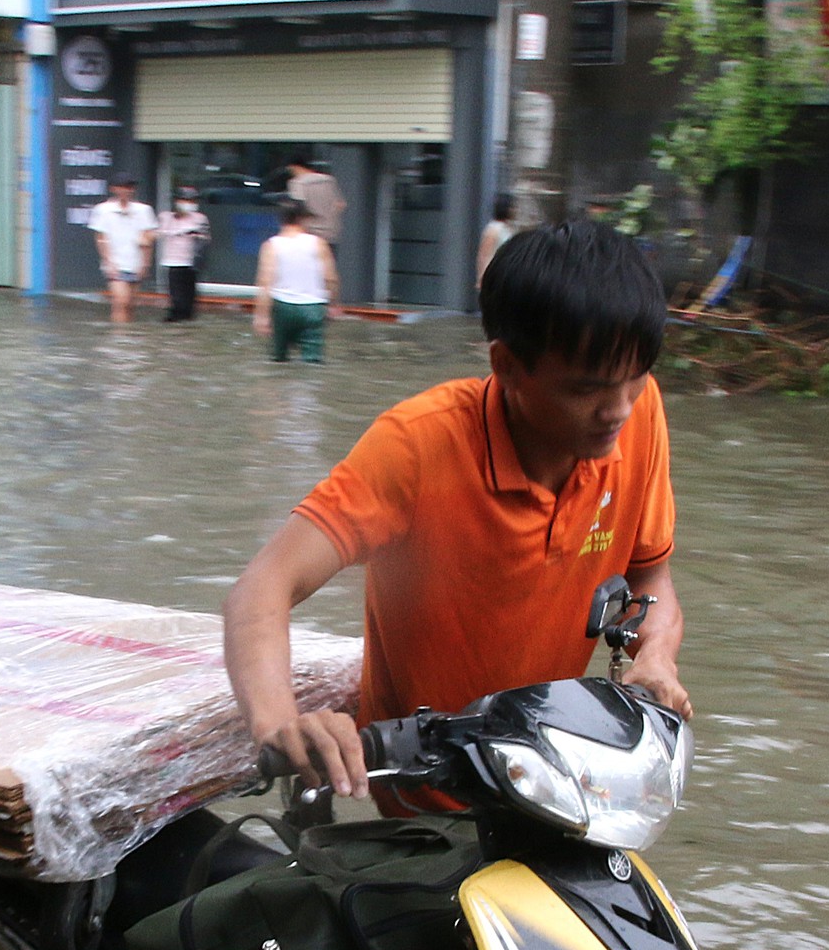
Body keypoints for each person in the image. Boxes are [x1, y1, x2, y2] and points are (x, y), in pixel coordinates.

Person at [224, 220, 688, 800]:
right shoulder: (419, 446)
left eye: (635, 378)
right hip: (428, 792)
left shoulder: (638, 418)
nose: (617, 410)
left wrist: (657, 659)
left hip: (554, 778)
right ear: (507, 366)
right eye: (585, 389)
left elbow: (651, 577)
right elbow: (263, 587)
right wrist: (280, 726)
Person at [254, 201, 337, 365]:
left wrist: (261, 316)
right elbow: (331, 278)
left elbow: (265, 282)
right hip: (313, 308)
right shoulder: (319, 243)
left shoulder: (271, 245)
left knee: (278, 361)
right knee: (313, 364)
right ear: (302, 219)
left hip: (282, 308)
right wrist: (333, 304)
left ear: (281, 220)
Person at [91, 175, 156, 324]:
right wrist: (108, 261)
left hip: (135, 262)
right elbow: (101, 237)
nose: (124, 191)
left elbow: (148, 238)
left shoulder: (144, 210)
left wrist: (145, 264)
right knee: (121, 301)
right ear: (113, 189)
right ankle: (119, 336)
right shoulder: (103, 210)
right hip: (115, 263)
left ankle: (128, 332)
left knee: (130, 304)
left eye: (128, 187)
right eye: (121, 187)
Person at [159, 185, 209, 323]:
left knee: (189, 298)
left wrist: (197, 235)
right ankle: (175, 319)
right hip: (173, 262)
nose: (189, 204)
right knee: (176, 297)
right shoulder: (166, 217)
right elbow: (161, 233)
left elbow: (206, 239)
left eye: (192, 201)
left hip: (191, 263)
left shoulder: (200, 218)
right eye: (185, 200)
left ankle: (186, 320)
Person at [284, 155, 345, 246]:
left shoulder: (298, 183)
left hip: (309, 233)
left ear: (295, 167)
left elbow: (299, 207)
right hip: (330, 233)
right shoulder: (328, 180)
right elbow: (341, 204)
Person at [474, 192, 517, 287]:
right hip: (495, 278)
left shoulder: (507, 228)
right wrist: (483, 277)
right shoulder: (493, 229)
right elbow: (485, 255)